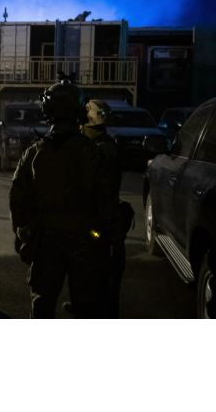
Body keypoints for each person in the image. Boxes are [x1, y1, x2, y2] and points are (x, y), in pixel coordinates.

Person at [9, 78, 114, 318]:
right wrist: (104, 236)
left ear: (48, 110)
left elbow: (17, 199)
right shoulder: (93, 153)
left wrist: (22, 234)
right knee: (86, 305)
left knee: (42, 305)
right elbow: (105, 200)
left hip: (45, 241)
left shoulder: (34, 153)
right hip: (85, 241)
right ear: (79, 110)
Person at [81, 99, 131, 318]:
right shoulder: (105, 144)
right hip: (106, 219)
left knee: (97, 269)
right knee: (103, 270)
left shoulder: (97, 147)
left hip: (98, 221)